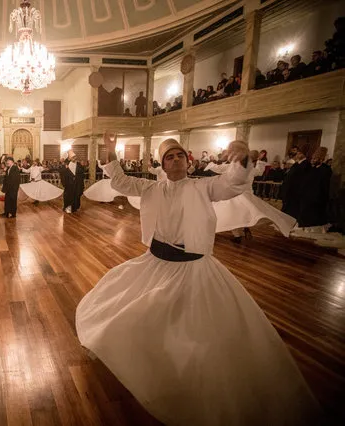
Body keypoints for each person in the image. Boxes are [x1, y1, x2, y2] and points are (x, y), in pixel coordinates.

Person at [76, 131, 321, 425]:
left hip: (193, 267)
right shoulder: (151, 188)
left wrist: (242, 156)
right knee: (131, 305)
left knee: (191, 327)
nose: (176, 159)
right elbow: (120, 181)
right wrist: (110, 151)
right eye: (170, 156)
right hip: (157, 262)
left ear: (188, 162)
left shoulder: (205, 187)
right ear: (162, 165)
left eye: (180, 155)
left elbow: (233, 182)